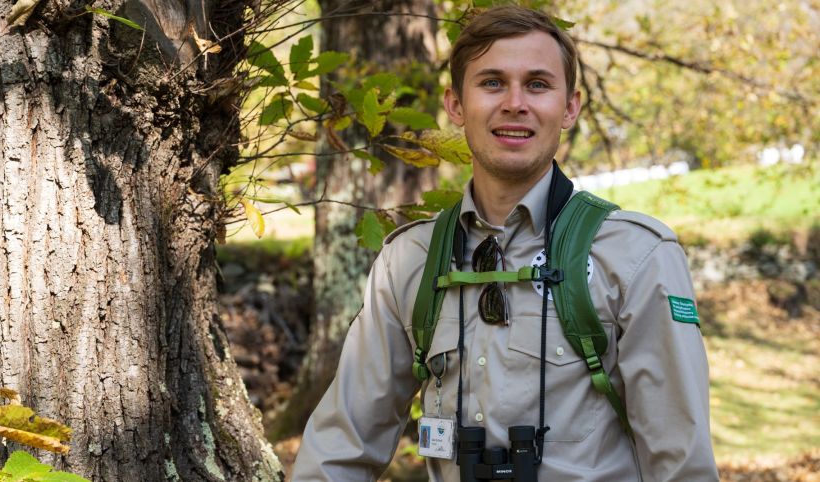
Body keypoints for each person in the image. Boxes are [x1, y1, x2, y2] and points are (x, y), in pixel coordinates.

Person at [293, 5, 718, 481]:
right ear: (455, 104)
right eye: (492, 82)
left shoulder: (635, 255)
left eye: (537, 84)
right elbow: (341, 446)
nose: (515, 103)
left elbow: (682, 464)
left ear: (570, 107)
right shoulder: (408, 260)